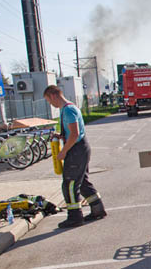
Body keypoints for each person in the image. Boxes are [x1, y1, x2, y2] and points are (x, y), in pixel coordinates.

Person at [43, 86, 106, 228]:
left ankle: (75, 217)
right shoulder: (70, 108)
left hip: (76, 151)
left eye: (48, 100)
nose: (50, 104)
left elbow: (75, 134)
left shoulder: (68, 110)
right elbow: (72, 132)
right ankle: (98, 209)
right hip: (80, 148)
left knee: (69, 184)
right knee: (82, 182)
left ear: (53, 96)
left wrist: (63, 151)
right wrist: (60, 136)